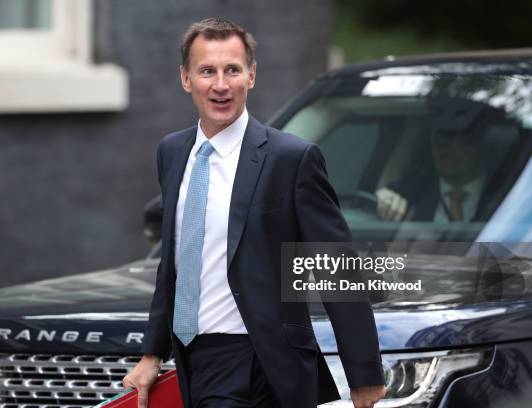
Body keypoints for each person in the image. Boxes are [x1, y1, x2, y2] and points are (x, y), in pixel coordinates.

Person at [123, 18, 386, 408]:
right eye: (207, 71)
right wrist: (151, 354)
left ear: (252, 75)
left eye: (233, 69)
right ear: (185, 79)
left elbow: (335, 265)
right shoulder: (172, 152)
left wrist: (363, 374)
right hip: (190, 359)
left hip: (258, 360)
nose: (221, 84)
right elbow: (173, 266)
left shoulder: (291, 159)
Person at [376, 125, 488, 223]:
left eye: (463, 141)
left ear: (479, 145)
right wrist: (382, 200)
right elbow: (382, 202)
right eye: (441, 142)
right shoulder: (410, 189)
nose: (447, 151)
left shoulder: (502, 197)